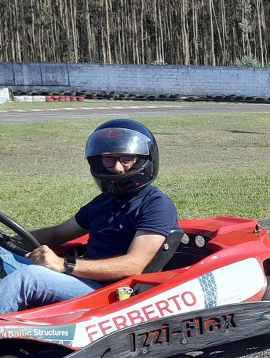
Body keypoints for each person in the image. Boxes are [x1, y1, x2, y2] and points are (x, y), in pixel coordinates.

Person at [0, 119, 179, 315]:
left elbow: (134, 265)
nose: (118, 168)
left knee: (30, 277)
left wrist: (63, 264)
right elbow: (57, 233)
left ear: (143, 160)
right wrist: (8, 241)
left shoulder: (156, 204)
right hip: (81, 278)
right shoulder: (104, 201)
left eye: (126, 159)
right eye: (109, 159)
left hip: (109, 292)